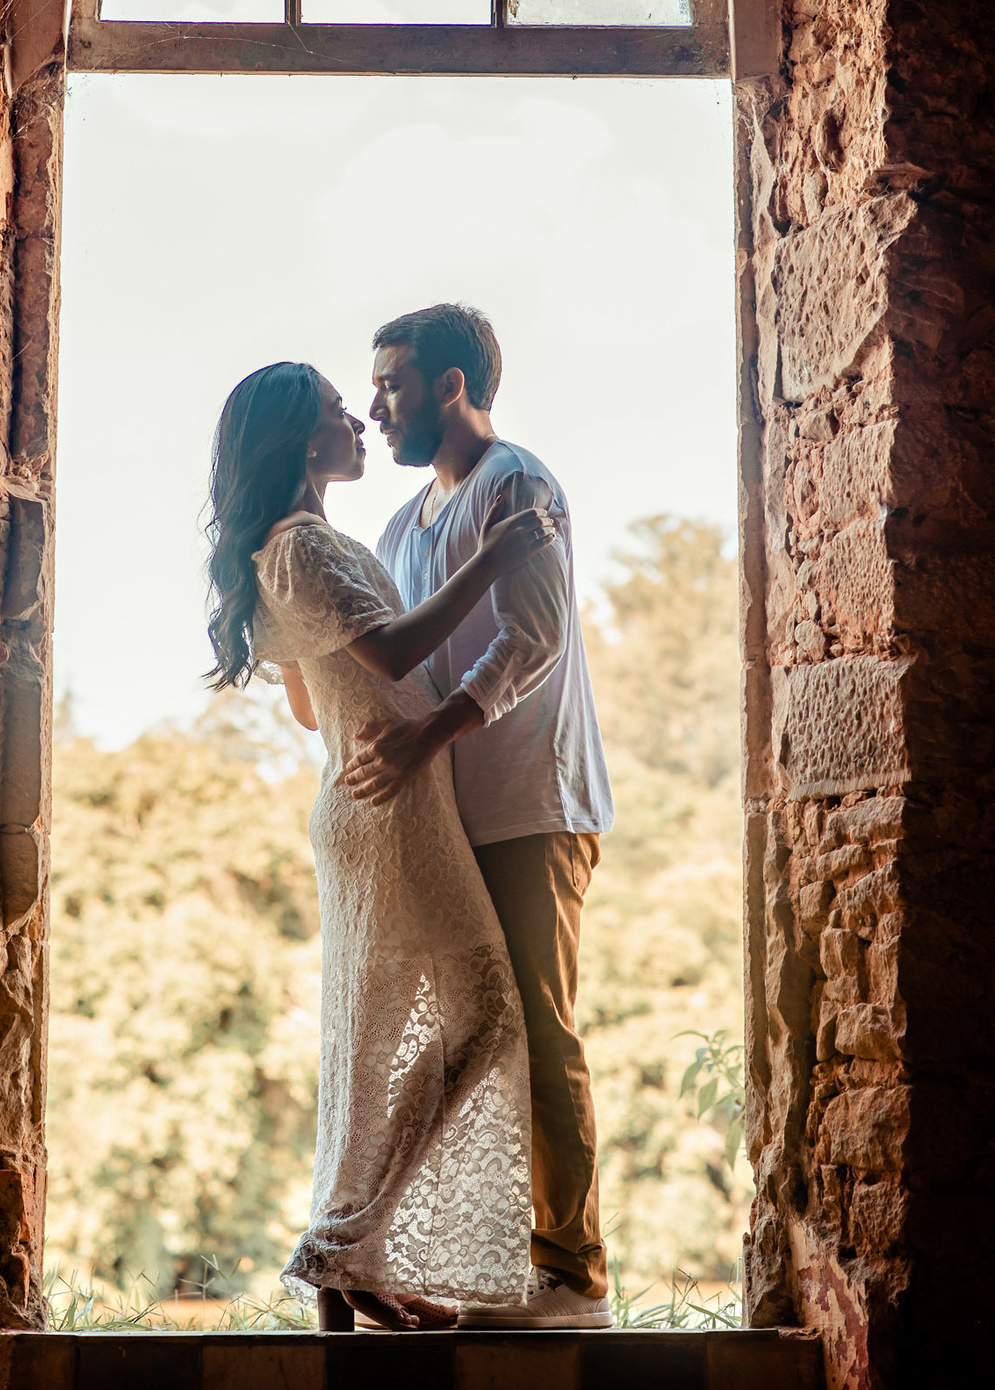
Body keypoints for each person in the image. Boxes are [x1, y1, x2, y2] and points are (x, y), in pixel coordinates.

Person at [205, 360, 556, 1333]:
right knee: (481, 1010)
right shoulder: (304, 546)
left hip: (374, 800)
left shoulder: (292, 550)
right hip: (388, 808)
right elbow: (393, 658)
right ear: (298, 440)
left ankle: (350, 1255)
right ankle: (342, 1241)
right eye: (334, 410)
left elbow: (314, 695)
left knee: (382, 1038)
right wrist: (495, 556)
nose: (357, 418)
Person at [343, 304, 615, 1330]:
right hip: (450, 819)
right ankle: (427, 1257)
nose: (377, 408)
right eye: (373, 388)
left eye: (394, 384)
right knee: (461, 1039)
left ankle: (575, 1278)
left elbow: (533, 637)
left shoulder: (520, 487)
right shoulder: (402, 526)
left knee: (542, 1034)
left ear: (453, 385)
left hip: (530, 804)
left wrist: (431, 737)